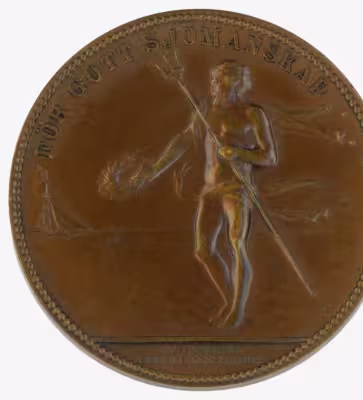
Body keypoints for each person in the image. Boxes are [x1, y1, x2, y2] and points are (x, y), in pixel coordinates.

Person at [102, 60, 278, 327]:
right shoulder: (206, 113)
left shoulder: (252, 115)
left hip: (237, 187)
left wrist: (238, 153)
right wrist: (154, 170)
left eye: (224, 82)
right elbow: (183, 142)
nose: (217, 86)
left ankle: (236, 311)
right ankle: (232, 301)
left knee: (237, 244)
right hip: (211, 189)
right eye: (215, 81)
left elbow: (269, 157)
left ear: (237, 84)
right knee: (204, 251)